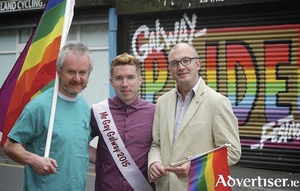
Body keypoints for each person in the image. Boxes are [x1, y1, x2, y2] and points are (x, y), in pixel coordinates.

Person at [148, 42, 242, 191]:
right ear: (170, 69)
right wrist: (153, 163)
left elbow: (232, 151)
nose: (181, 67)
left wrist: (193, 167)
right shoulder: (162, 102)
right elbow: (157, 144)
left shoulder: (217, 102)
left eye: (186, 60)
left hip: (200, 187)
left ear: (198, 64)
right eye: (174, 63)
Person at [3, 42, 93, 191]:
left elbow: (81, 147)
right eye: (71, 72)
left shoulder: (84, 106)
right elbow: (10, 146)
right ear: (58, 71)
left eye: (82, 72)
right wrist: (33, 160)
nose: (77, 78)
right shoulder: (39, 106)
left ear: (88, 74)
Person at [89, 53, 155, 191]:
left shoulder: (155, 112)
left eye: (130, 77)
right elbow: (80, 144)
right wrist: (105, 159)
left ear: (140, 80)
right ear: (111, 81)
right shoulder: (98, 111)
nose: (125, 84)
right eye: (119, 78)